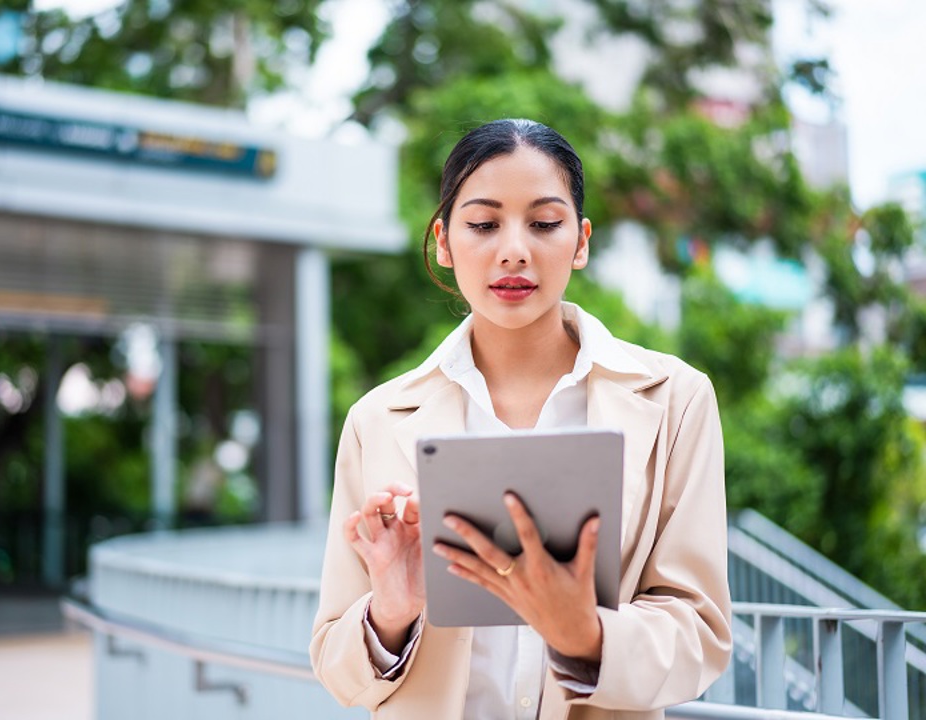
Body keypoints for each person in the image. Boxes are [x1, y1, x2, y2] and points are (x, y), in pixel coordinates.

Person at [310, 119, 732, 720]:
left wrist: (586, 634)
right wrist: (391, 611)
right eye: (483, 224)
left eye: (544, 223)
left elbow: (701, 631)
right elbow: (334, 663)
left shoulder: (675, 400)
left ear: (580, 241)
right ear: (444, 241)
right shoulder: (377, 419)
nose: (514, 249)